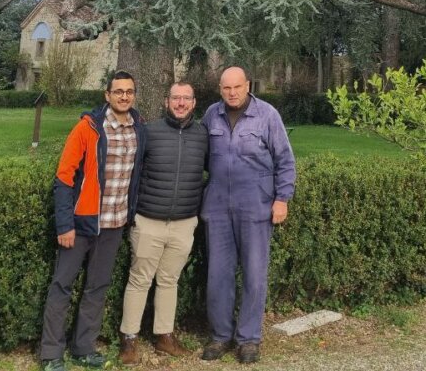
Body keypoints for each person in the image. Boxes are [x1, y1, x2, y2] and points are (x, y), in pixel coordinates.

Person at [40, 71, 146, 371]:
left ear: (134, 95)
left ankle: (83, 348)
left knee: (97, 287)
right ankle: (51, 354)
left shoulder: (139, 128)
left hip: (114, 224)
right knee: (62, 285)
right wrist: (65, 224)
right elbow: (64, 177)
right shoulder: (88, 128)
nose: (124, 96)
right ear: (107, 95)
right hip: (81, 222)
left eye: (129, 91)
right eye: (118, 91)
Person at [199, 67, 296, 365]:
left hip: (256, 206)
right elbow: (200, 157)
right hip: (217, 207)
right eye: (226, 88)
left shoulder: (267, 115)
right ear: (220, 88)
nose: (232, 93)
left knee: (254, 274)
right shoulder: (211, 115)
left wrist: (282, 198)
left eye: (237, 87)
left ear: (247, 85)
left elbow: (285, 160)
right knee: (218, 275)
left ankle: (249, 339)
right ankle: (220, 335)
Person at [117, 81, 209, 365]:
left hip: (184, 222)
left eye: (186, 98)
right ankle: (129, 339)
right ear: (166, 101)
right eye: (175, 98)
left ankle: (164, 337)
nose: (180, 103)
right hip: (149, 220)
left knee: (170, 280)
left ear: (193, 103)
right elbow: (132, 173)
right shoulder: (149, 131)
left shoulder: (203, 135)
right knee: (139, 280)